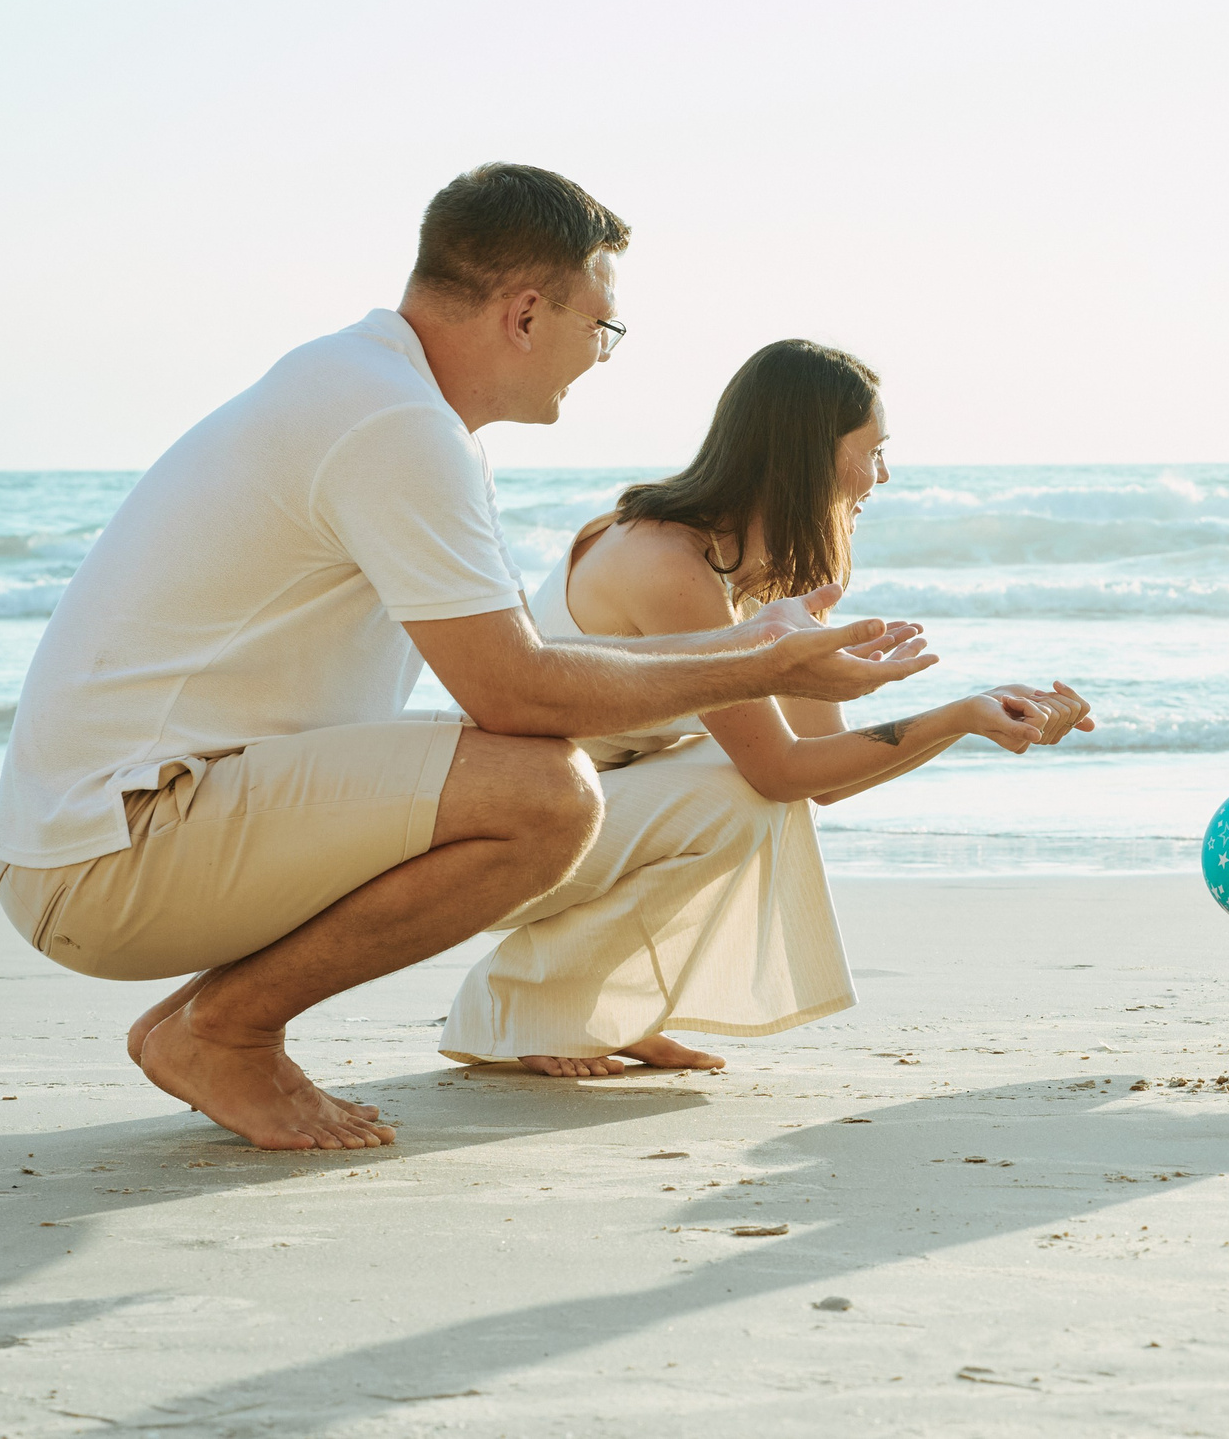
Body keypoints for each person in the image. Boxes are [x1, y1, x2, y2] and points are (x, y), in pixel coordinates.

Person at [0, 163, 937, 1151]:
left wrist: (751, 646)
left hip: (112, 832)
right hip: (111, 855)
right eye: (600, 327)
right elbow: (512, 692)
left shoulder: (374, 393)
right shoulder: (395, 424)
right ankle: (228, 1030)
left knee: (538, 777)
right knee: (543, 793)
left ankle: (199, 1024)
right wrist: (760, 663)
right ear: (526, 315)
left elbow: (499, 682)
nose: (603, 357)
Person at [437, 339, 1095, 1075]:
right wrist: (954, 717)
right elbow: (782, 773)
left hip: (573, 815)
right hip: (494, 831)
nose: (883, 474)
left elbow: (826, 779)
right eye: (872, 450)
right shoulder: (667, 559)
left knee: (741, 786)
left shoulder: (755, 575)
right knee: (738, 789)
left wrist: (971, 713)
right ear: (808, 454)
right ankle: (524, 1005)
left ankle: (599, 1007)